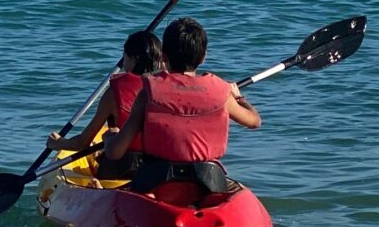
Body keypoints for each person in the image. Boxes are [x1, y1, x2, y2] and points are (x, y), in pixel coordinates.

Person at [104, 17, 261, 195]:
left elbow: (115, 153)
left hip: (155, 182)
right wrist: (239, 98)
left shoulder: (148, 91)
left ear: (163, 55)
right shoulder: (223, 92)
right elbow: (254, 121)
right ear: (203, 57)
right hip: (209, 181)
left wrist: (109, 139)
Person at [46, 30, 164, 181]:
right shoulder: (169, 89)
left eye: (125, 56)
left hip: (123, 167)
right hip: (158, 167)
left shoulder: (113, 94)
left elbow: (83, 142)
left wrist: (59, 143)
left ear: (134, 59)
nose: (123, 61)